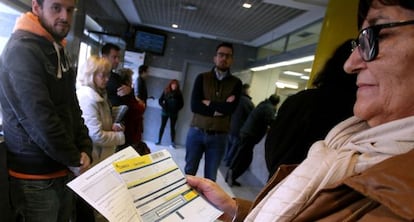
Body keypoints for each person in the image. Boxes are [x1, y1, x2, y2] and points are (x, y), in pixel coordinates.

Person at [187, 0, 414, 221]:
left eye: (377, 34)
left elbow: (229, 108)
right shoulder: (345, 142)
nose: (351, 64)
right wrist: (235, 210)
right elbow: (196, 105)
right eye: (360, 43)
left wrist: (213, 106)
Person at [0, 0, 93, 221]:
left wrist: (85, 149)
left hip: (62, 170)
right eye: (56, 8)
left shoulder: (57, 47)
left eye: (70, 10)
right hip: (35, 179)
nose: (64, 16)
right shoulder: (21, 50)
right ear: (36, 7)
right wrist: (74, 158)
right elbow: (39, 118)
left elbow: (73, 107)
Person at [265, 39, 357, 179]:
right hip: (315, 191)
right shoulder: (354, 115)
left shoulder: (300, 100)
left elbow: (273, 144)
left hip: (279, 183)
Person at [185, 42, 242, 182]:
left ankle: (206, 204)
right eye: (221, 55)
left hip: (219, 137)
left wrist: (209, 103)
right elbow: (195, 106)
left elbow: (231, 109)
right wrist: (219, 109)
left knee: (210, 178)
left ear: (232, 60)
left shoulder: (236, 83)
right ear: (215, 58)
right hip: (196, 133)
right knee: (189, 172)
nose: (224, 58)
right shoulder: (202, 78)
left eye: (228, 56)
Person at [76, 56, 125, 164]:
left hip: (99, 155)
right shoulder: (88, 98)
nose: (107, 79)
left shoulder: (100, 94)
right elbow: (96, 135)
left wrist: (112, 126)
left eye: (108, 75)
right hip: (93, 157)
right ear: (91, 75)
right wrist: (120, 136)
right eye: (103, 75)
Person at [226, 94, 280, 187]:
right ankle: (231, 176)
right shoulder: (269, 108)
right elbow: (271, 121)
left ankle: (231, 176)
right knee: (243, 158)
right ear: (277, 103)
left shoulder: (264, 104)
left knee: (241, 156)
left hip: (247, 133)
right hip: (250, 135)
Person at [223, 83, 255, 167]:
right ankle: (228, 162)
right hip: (239, 129)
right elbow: (251, 116)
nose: (250, 91)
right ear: (246, 91)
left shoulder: (234, 99)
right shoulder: (248, 102)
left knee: (229, 146)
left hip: (230, 127)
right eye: (249, 90)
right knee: (234, 148)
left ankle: (225, 159)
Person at [117, 68, 146, 149]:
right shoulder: (126, 92)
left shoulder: (128, 92)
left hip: (130, 132)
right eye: (131, 79)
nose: (132, 82)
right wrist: (142, 105)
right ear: (127, 81)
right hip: (130, 133)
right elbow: (138, 110)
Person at [102, 43, 133, 107]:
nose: (117, 61)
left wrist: (129, 91)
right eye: (114, 57)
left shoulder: (117, 78)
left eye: (118, 57)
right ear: (104, 57)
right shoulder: (94, 76)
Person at [155, 79, 184, 148]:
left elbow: (182, 104)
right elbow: (160, 100)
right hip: (165, 112)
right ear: (170, 85)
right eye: (173, 84)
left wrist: (177, 108)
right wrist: (163, 106)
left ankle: (172, 142)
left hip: (174, 113)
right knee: (162, 126)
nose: (174, 86)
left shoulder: (179, 93)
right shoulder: (166, 91)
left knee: (172, 128)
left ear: (177, 86)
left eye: (175, 85)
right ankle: (159, 140)